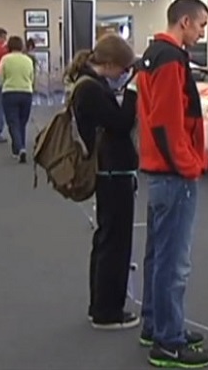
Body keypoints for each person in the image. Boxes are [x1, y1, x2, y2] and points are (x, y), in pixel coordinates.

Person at [136, 0, 208, 368]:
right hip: (172, 175)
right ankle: (168, 342)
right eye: (201, 25)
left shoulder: (153, 54)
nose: (202, 33)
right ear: (184, 21)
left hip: (159, 173)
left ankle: (156, 325)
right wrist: (187, 165)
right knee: (173, 262)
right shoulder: (169, 59)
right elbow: (167, 120)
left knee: (158, 255)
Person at [64, 34, 139, 330]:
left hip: (107, 169)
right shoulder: (92, 90)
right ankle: (108, 311)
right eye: (123, 70)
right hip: (112, 171)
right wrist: (132, 93)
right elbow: (120, 124)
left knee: (107, 239)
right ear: (108, 64)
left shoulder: (86, 86)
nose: (124, 75)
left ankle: (101, 305)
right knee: (115, 243)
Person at [0, 36, 35, 163]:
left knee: (13, 122)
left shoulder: (5, 59)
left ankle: (19, 148)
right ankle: (19, 147)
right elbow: (32, 77)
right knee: (22, 122)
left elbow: (0, 78)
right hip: (26, 92)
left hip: (10, 92)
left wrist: (3, 83)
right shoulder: (28, 60)